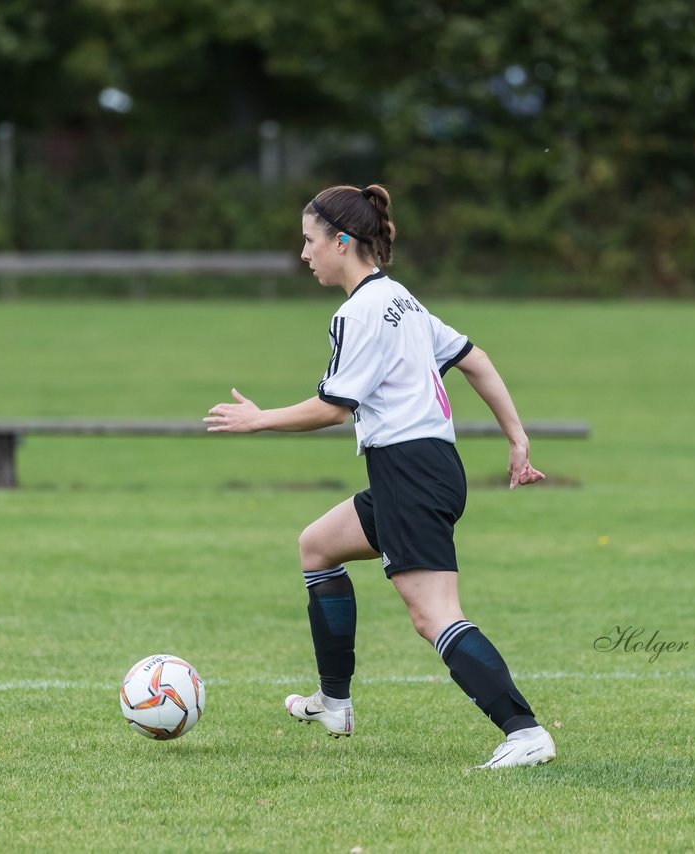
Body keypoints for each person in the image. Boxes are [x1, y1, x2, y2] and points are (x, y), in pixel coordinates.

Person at [205, 184, 556, 769]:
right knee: (317, 546)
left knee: (433, 614)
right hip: (428, 467)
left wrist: (260, 419)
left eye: (310, 241)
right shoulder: (400, 299)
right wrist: (516, 437)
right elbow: (475, 357)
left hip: (409, 472)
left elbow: (334, 407)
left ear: (341, 242)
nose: (304, 254)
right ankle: (333, 702)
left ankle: (524, 731)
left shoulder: (359, 313)